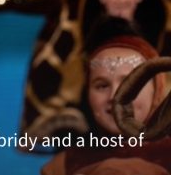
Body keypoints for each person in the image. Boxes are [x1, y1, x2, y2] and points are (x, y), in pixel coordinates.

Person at [42, 17, 171, 175]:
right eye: (102, 86)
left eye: (130, 83)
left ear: (157, 90)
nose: (115, 97)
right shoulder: (62, 166)